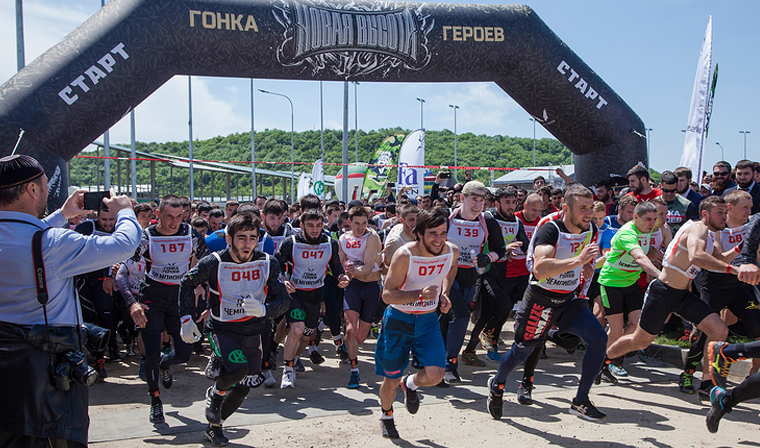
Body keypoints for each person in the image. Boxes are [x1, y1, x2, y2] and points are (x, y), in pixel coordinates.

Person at [0, 154, 141, 448]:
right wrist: (126, 212)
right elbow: (123, 245)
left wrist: (62, 215)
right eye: (44, 185)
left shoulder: (41, 239)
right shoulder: (52, 244)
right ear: (32, 190)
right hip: (45, 379)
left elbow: (28, 233)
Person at [487, 184, 608, 422]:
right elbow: (540, 269)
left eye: (590, 207)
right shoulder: (550, 229)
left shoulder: (591, 228)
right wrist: (579, 260)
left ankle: (580, 400)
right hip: (540, 299)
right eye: (582, 208)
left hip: (567, 300)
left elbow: (583, 256)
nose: (588, 213)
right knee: (522, 351)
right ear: (565, 208)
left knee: (599, 339)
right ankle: (497, 383)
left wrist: (586, 265)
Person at [177, 213, 289, 445]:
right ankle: (216, 390)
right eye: (241, 238)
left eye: (252, 238)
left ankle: (214, 426)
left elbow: (283, 300)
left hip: (254, 330)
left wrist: (264, 310)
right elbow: (186, 283)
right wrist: (186, 318)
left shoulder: (269, 262)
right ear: (229, 239)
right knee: (238, 369)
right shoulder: (213, 262)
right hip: (222, 328)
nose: (247, 244)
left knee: (244, 387)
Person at [606, 196, 742, 378]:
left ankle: (708, 383)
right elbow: (697, 257)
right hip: (664, 292)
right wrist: (734, 270)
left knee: (719, 330)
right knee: (641, 341)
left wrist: (740, 248)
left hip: (683, 295)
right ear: (705, 214)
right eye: (720, 213)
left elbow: (719, 260)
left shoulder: (711, 233)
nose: (724, 217)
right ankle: (604, 359)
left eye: (725, 212)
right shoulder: (697, 228)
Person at [375, 208, 458, 439]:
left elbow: (451, 268)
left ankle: (410, 383)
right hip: (399, 320)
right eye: (433, 234)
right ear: (419, 233)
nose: (439, 239)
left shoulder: (451, 251)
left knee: (436, 375)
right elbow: (387, 295)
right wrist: (419, 295)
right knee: (391, 378)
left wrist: (445, 293)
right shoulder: (404, 255)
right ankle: (386, 415)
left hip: (428, 320)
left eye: (443, 233)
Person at [129, 195, 209, 423]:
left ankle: (166, 363)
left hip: (180, 297)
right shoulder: (147, 236)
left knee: (184, 353)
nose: (174, 222)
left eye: (178, 217)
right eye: (169, 217)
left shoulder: (190, 234)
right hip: (153, 295)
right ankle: (155, 400)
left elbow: (208, 262)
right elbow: (126, 263)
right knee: (151, 354)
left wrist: (200, 284)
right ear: (158, 215)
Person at [679, 190, 759, 398]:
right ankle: (689, 373)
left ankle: (724, 341)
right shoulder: (716, 228)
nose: (749, 212)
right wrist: (741, 248)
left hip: (739, 284)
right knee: (705, 333)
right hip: (714, 284)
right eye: (745, 207)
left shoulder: (752, 226)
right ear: (729, 208)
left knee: (755, 325)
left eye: (751, 207)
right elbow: (720, 259)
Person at [276, 209, 349, 388]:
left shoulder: (329, 243)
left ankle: (295, 359)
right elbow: (277, 265)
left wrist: (342, 277)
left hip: (316, 294)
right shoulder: (290, 242)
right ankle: (287, 370)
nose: (315, 230)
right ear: (301, 226)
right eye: (310, 226)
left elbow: (336, 266)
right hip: (295, 293)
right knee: (297, 329)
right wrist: (284, 280)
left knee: (306, 336)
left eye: (318, 225)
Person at [442, 181, 505, 384]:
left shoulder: (488, 221)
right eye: (474, 199)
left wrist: (488, 258)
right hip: (446, 275)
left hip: (471, 277)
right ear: (462, 198)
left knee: (450, 320)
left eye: (482, 200)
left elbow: (500, 249)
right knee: (459, 317)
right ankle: (450, 364)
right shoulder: (446, 217)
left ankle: (437, 361)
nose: (478, 205)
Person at [462, 187, 529, 366]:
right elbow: (486, 243)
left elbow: (525, 243)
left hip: (503, 272)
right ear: (497, 203)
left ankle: (471, 351)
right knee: (503, 305)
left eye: (514, 202)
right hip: (485, 272)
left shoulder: (516, 221)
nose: (511, 206)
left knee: (490, 314)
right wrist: (505, 249)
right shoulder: (488, 217)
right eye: (507, 202)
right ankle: (485, 337)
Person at [596, 202, 661, 381]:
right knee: (616, 330)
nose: (651, 223)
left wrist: (653, 254)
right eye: (648, 219)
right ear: (635, 217)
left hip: (631, 283)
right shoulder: (627, 233)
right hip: (612, 283)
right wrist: (660, 275)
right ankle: (601, 362)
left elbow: (645, 252)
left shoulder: (646, 231)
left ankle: (607, 358)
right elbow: (639, 256)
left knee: (637, 325)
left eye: (654, 219)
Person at [339, 206, 384, 388]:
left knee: (360, 337)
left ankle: (347, 344)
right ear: (349, 222)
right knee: (351, 330)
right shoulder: (343, 239)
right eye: (357, 223)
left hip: (371, 286)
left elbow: (367, 269)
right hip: (354, 287)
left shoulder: (372, 237)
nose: (361, 227)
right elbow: (340, 264)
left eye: (364, 223)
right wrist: (344, 276)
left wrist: (351, 271)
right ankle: (354, 370)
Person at [660, 170, 698, 234]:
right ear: (660, 186)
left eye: (673, 191)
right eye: (666, 190)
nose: (669, 194)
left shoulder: (687, 205)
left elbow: (694, 228)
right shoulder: (653, 204)